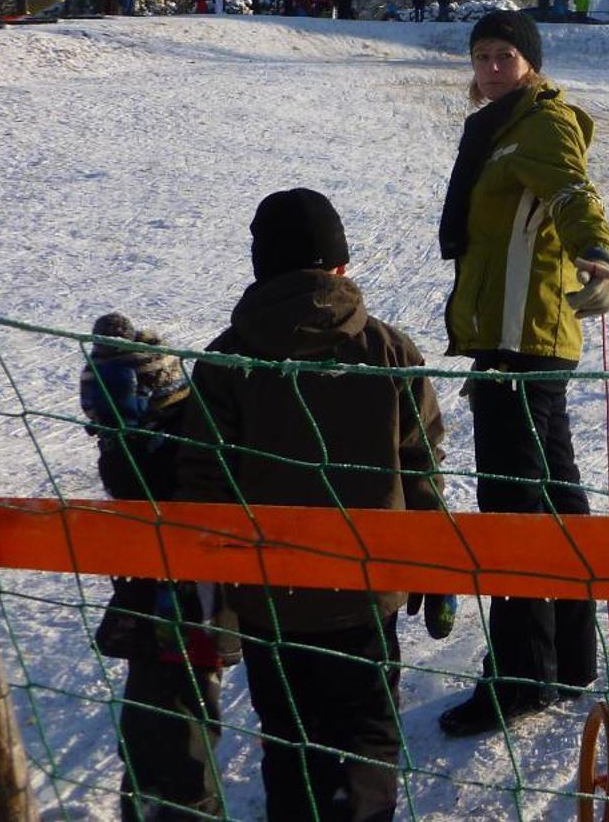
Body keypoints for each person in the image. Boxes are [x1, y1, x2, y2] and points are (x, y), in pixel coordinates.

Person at [176, 190, 447, 821]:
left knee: (292, 741)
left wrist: (218, 594)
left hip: (273, 602)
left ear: (261, 268)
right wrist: (433, 568)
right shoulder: (389, 351)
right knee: (367, 737)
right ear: (341, 268)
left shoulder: (226, 362)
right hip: (366, 594)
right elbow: (421, 467)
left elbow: (205, 484)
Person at [437, 11, 609, 738]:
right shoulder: (503, 126)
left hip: (521, 343)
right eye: (481, 56)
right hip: (525, 340)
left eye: (505, 55)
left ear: (531, 63)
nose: (490, 68)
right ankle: (570, 658)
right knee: (555, 500)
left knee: (514, 514)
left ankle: (519, 678)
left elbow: (574, 193)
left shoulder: (540, 123)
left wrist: (598, 255)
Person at [83, 313, 237, 822]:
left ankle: (174, 803)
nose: (104, 432)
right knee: (159, 730)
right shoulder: (140, 451)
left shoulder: (186, 451)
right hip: (161, 599)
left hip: (190, 603)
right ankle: (162, 798)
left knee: (175, 740)